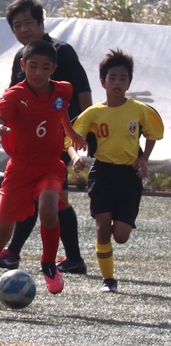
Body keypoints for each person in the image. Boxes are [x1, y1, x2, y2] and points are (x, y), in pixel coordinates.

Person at [0, 40, 87, 308]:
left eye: (45, 67)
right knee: (1, 234)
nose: (39, 72)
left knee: (49, 207)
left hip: (49, 165)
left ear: (53, 69)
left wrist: (72, 133)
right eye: (33, 66)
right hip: (20, 170)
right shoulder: (13, 95)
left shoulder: (63, 89)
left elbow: (60, 111)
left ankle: (48, 264)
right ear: (23, 65)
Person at [0, 0, 92, 274]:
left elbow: (84, 93)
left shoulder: (63, 52)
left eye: (28, 23)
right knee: (50, 199)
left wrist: (84, 132)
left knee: (49, 198)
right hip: (30, 141)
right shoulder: (20, 58)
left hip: (58, 138)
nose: (23, 29)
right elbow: (13, 97)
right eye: (17, 25)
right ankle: (72, 258)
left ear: (41, 23)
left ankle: (15, 253)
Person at [72, 49, 164, 292]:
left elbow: (153, 134)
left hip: (128, 176)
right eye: (112, 78)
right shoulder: (93, 113)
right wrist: (75, 157)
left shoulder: (139, 110)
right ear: (102, 82)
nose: (117, 83)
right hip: (101, 173)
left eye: (123, 78)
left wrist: (144, 159)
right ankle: (108, 280)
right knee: (102, 226)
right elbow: (71, 138)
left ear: (129, 83)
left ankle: (113, 236)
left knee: (121, 235)